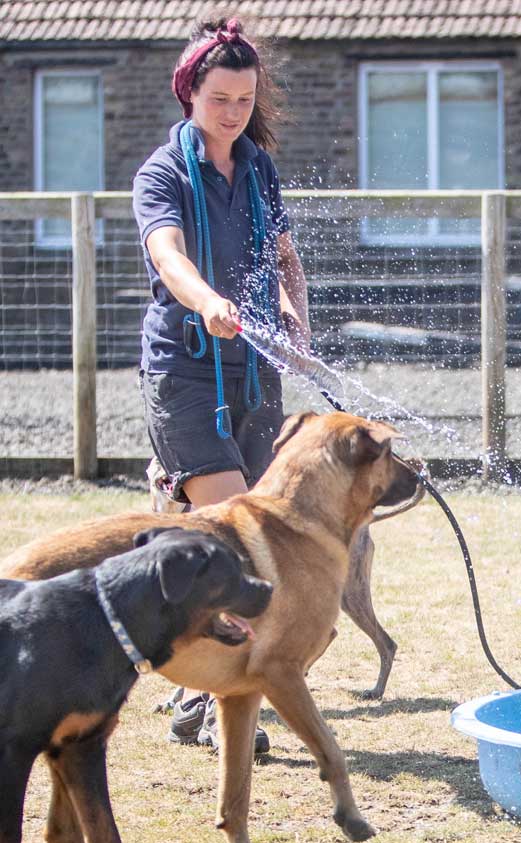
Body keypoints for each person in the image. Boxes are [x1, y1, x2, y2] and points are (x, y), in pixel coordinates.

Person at [133, 14, 309, 755]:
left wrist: (295, 312)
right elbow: (166, 253)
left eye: (243, 98)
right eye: (219, 99)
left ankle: (187, 687)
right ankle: (223, 709)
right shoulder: (163, 174)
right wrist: (205, 299)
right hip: (185, 368)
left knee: (215, 539)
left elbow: (282, 255)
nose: (232, 112)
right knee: (241, 535)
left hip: (254, 374)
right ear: (189, 94)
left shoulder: (260, 168)